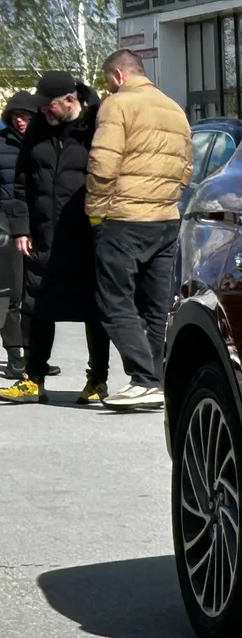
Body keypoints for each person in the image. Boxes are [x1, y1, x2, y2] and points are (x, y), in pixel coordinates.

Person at [87, 49, 191, 411]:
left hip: (126, 216)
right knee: (157, 305)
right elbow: (186, 167)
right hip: (166, 218)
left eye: (108, 82)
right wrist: (167, 198)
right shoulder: (174, 108)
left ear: (118, 76)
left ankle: (144, 379)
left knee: (114, 300)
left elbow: (103, 161)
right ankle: (159, 380)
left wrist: (97, 212)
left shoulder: (117, 105)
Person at [1, 72, 110, 406]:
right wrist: (21, 227)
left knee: (94, 308)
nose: (43, 112)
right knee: (37, 305)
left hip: (85, 234)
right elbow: (20, 183)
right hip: (42, 233)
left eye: (49, 106)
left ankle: (97, 379)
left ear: (69, 100)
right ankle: (34, 379)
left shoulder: (96, 127)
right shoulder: (38, 131)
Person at [0, 91, 40, 379]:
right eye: (16, 117)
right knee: (10, 292)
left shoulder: (43, 143)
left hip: (39, 225)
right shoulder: (1, 144)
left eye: (26, 116)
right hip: (4, 227)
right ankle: (14, 354)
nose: (21, 122)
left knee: (34, 293)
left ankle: (35, 354)